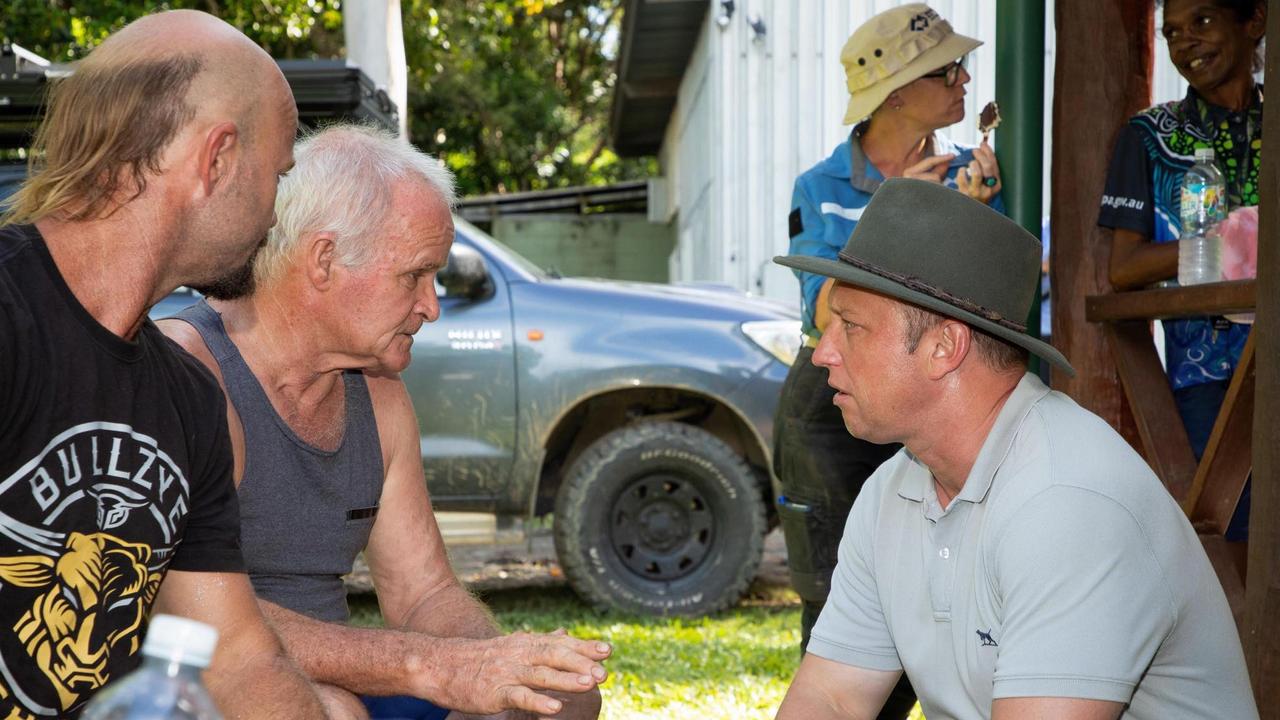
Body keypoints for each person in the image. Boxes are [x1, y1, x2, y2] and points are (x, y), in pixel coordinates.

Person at [158, 124, 609, 720]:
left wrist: (498, 662)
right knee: (327, 710)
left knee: (561, 698)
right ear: (324, 260)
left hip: (340, 682)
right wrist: (429, 666)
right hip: (199, 680)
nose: (432, 305)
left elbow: (424, 593)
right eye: (414, 275)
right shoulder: (193, 376)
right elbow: (194, 616)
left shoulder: (379, 395)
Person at [773, 178, 1257, 720]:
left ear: (943, 347)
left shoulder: (1069, 499)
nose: (823, 354)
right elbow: (831, 699)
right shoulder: (893, 490)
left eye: (851, 326)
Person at [0, 10, 329, 719]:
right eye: (277, 175)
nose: (276, 213)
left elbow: (238, 660)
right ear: (215, 161)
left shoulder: (187, 400)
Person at [774, 5, 1002, 716]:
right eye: (947, 70)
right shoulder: (821, 187)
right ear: (896, 92)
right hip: (832, 402)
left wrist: (976, 220)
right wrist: (902, 214)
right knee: (845, 603)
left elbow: (985, 317)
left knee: (944, 590)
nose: (966, 80)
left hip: (934, 401)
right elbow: (824, 312)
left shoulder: (971, 174)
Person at [1098, 0, 1265, 540]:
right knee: (1233, 538)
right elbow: (1123, 269)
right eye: (1171, 31)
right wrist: (1225, 244)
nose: (1185, 41)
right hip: (1207, 374)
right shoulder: (1149, 136)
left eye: (1204, 21)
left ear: (1255, 21)